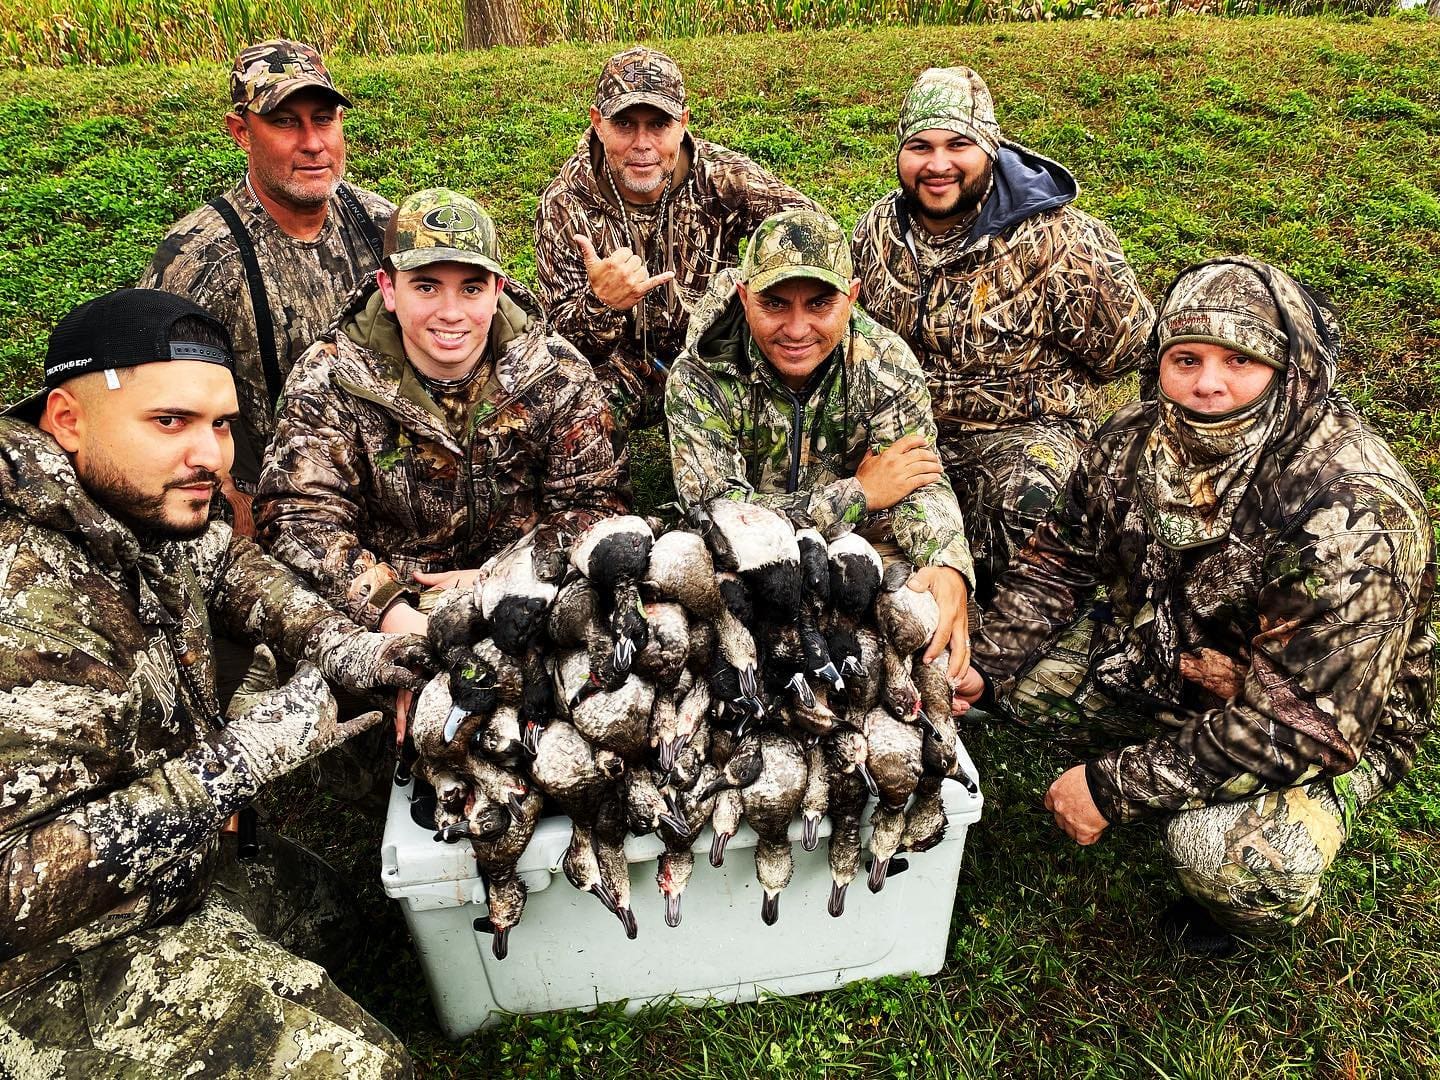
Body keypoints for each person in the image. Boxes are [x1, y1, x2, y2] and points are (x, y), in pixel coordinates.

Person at [0, 289, 435, 1076]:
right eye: (170, 422)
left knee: (371, 928)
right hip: (49, 962)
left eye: (222, 423)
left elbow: (227, 568)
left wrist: (346, 648)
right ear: (67, 420)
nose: (212, 456)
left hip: (181, 863)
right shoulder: (20, 602)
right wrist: (236, 766)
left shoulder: (124, 498)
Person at [955, 258, 1435, 953]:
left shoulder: (1352, 506)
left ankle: (1235, 905)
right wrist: (985, 664)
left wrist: (1112, 787)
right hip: (1171, 657)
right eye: (1186, 358)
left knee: (1235, 858)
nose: (1208, 384)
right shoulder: (1133, 438)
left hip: (1323, 723)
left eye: (1240, 359)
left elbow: (1308, 728)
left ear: (1289, 366)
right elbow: (1059, 564)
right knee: (1011, 682)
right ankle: (1178, 748)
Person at [255, 188, 627, 636]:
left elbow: (596, 504)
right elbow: (300, 520)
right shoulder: (328, 380)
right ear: (389, 289)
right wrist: (390, 611)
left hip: (528, 595)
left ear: (497, 291)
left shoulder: (555, 372)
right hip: (389, 613)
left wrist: (506, 575)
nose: (451, 313)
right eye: (427, 287)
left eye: (471, 288)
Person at [852, 66, 1155, 603]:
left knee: (1034, 503)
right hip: (901, 431)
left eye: (958, 144)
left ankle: (1006, 651)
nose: (937, 164)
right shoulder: (877, 231)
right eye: (919, 146)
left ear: (989, 148)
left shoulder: (1061, 240)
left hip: (1019, 434)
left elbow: (1128, 348)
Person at [666, 208, 976, 675]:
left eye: (818, 304)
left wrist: (947, 561)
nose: (795, 330)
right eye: (774, 303)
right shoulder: (699, 377)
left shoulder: (886, 364)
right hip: (743, 568)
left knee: (923, 628)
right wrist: (860, 494)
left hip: (854, 553)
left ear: (851, 298)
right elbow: (721, 520)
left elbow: (920, 480)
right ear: (744, 296)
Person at [142, 39, 393, 500]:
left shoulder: (382, 226)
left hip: (390, 490)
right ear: (241, 131)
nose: (314, 143)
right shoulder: (200, 259)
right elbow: (160, 412)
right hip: (269, 505)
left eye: (324, 119)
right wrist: (229, 499)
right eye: (284, 122)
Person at [535, 46, 814, 457]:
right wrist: (600, 304)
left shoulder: (723, 179)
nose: (642, 144)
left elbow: (810, 233)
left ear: (683, 124)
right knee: (567, 417)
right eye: (625, 124)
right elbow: (562, 349)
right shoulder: (565, 206)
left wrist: (755, 291)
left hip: (719, 350)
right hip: (622, 364)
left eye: (659, 124)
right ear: (597, 124)